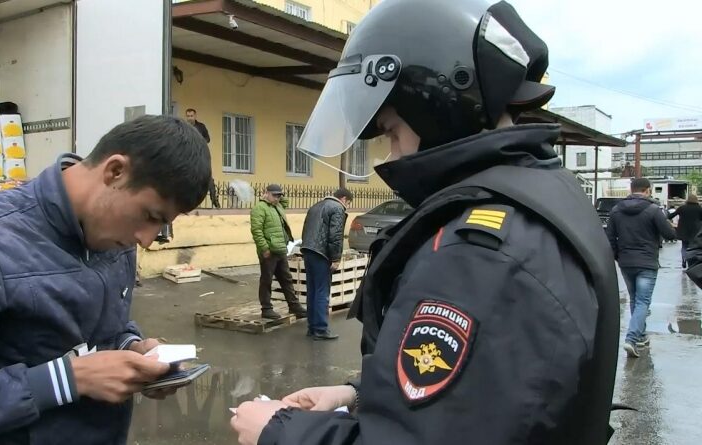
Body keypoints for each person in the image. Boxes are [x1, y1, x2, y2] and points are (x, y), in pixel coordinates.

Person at [231, 1, 621, 444]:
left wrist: (280, 432)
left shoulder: (479, 253)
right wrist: (357, 394)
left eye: (394, 132)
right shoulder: (540, 193)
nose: (391, 155)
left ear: (439, 105)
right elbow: (484, 395)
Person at [0, 115, 212, 444]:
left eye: (161, 225)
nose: (147, 239)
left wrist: (132, 348)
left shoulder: (114, 235)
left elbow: (99, 328)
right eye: (150, 216)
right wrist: (69, 379)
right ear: (115, 172)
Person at [606, 178, 676, 358]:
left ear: (631, 189)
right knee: (643, 302)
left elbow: (609, 238)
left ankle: (641, 335)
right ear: (647, 190)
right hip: (646, 262)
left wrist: (618, 256)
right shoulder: (653, 210)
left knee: (635, 299)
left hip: (626, 262)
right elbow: (669, 234)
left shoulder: (616, 210)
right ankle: (631, 338)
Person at [299, 188, 352, 340]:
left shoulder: (316, 206)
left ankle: (312, 327)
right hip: (321, 253)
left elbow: (306, 230)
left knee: (313, 290)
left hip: (308, 250)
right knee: (322, 291)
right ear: (343, 198)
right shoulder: (337, 208)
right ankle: (321, 329)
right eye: (347, 202)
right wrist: (335, 258)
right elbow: (335, 236)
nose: (346, 205)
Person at [250, 184, 306, 320]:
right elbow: (256, 231)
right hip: (269, 251)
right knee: (266, 280)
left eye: (279, 195)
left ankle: (294, 306)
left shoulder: (278, 207)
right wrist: (264, 248)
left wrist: (280, 196)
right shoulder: (259, 208)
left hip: (281, 249)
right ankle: (266, 309)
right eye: (274, 195)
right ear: (266, 193)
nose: (277, 198)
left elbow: (285, 202)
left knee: (286, 279)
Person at [186, 107, 220, 208]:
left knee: (208, 179)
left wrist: (199, 141)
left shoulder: (201, 127)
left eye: (191, 116)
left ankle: (215, 200)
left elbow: (207, 139)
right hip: (187, 158)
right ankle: (189, 203)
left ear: (195, 116)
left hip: (200, 157)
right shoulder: (184, 127)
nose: (190, 118)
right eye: (188, 116)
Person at [668, 194, 702, 267]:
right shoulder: (699, 208)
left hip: (683, 231)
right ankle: (691, 261)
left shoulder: (682, 208)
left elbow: (671, 216)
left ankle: (684, 259)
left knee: (684, 246)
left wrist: (670, 222)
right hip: (695, 231)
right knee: (693, 247)